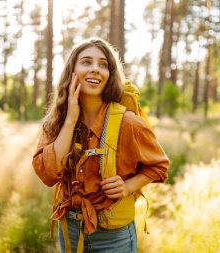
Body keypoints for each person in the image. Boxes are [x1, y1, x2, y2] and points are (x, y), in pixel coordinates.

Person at [32, 38, 170, 253]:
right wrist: (70, 120)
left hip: (113, 237)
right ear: (72, 71)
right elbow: (48, 174)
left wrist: (128, 187)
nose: (95, 69)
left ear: (110, 75)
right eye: (86, 62)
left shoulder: (129, 123)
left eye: (103, 64)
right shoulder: (57, 121)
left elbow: (160, 166)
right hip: (69, 229)